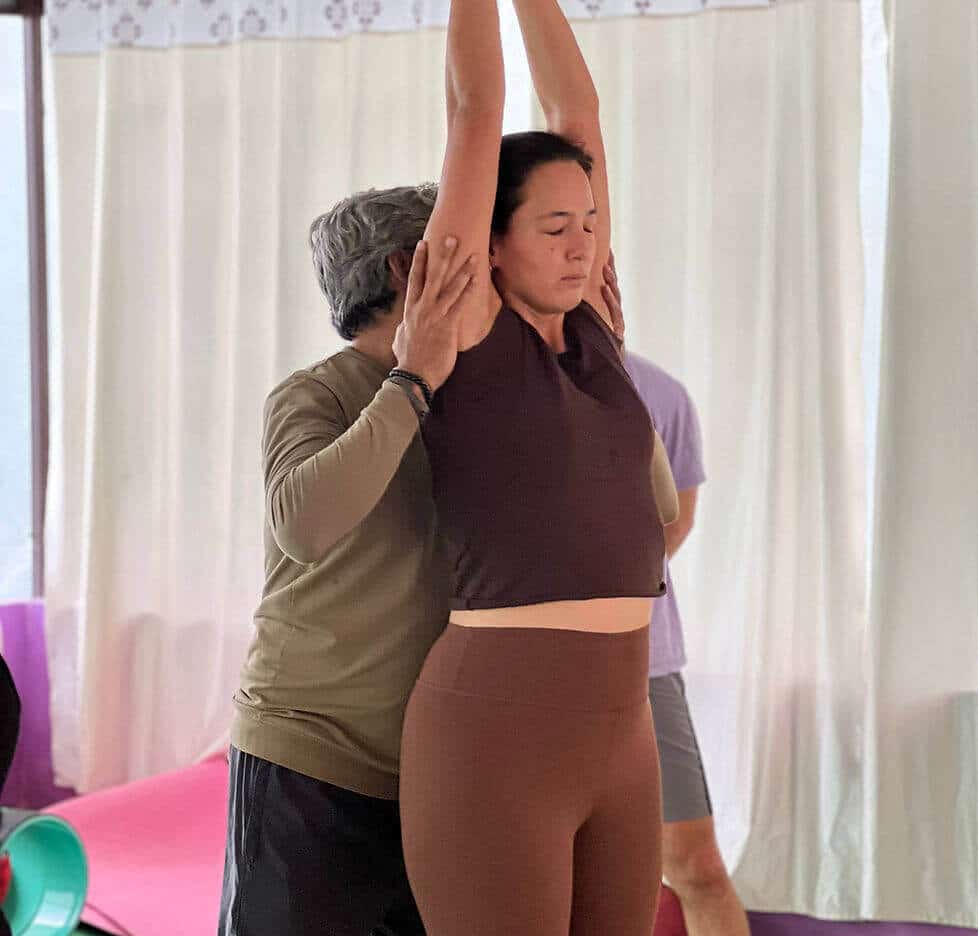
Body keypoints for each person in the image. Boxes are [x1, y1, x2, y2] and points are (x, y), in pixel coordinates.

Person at [396, 0, 679, 932]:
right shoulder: (466, 326)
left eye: (589, 223)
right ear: (492, 243)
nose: (582, 243)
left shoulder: (593, 324)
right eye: (554, 226)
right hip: (497, 723)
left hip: (622, 725)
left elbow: (578, 114)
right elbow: (476, 110)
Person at [217, 184, 478, 936]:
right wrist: (411, 380)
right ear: (405, 267)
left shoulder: (482, 397)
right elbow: (304, 525)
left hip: (435, 770)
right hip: (311, 755)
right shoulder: (315, 394)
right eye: (466, 250)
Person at [625, 351, 751, 935]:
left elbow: (676, 521)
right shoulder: (489, 374)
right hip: (520, 669)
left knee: (695, 866)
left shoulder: (661, 393)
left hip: (644, 665)